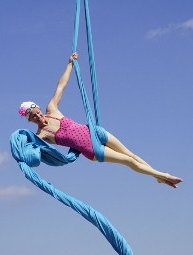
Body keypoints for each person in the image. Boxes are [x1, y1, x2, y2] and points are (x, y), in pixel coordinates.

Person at [19, 52, 182, 188]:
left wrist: (70, 64)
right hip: (92, 149)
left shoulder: (51, 109)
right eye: (33, 116)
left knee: (130, 154)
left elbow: (61, 85)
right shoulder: (41, 136)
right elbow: (34, 151)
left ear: (39, 108)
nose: (38, 116)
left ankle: (157, 176)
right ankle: (164, 176)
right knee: (126, 160)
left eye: (37, 111)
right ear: (30, 120)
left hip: (95, 132)